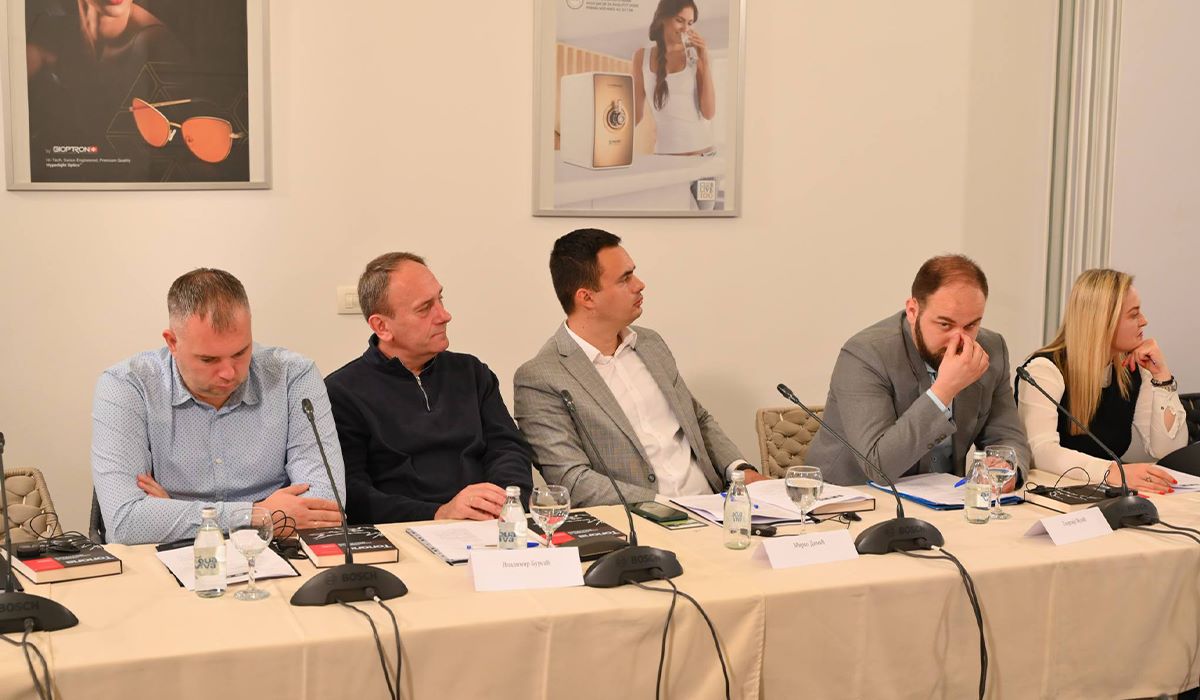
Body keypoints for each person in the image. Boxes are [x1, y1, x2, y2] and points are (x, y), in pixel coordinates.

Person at [91, 268, 344, 545]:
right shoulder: (126, 386)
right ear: (172, 342)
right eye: (209, 360)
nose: (228, 373)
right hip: (170, 553)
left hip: (276, 550)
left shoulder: (293, 376)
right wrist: (259, 515)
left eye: (240, 352)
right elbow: (125, 522)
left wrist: (172, 512)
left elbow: (326, 506)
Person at [514, 228, 763, 508]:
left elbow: (697, 419)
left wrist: (740, 470)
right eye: (625, 279)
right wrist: (667, 507)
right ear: (587, 298)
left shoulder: (650, 344)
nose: (639, 285)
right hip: (642, 519)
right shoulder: (541, 378)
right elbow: (573, 480)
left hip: (715, 506)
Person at [325, 253, 534, 525]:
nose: (445, 316)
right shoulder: (342, 392)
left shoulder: (472, 372)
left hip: (490, 525)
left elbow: (509, 449)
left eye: (440, 299)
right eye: (425, 308)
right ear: (382, 326)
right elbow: (352, 494)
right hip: (405, 532)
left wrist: (504, 503)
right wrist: (439, 513)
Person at [807, 254, 1031, 486]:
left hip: (943, 498)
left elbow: (1007, 436)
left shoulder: (991, 349)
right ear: (913, 311)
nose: (960, 339)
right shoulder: (865, 354)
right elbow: (878, 465)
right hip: (853, 496)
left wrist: (1007, 467)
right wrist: (944, 390)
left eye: (971, 325)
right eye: (945, 324)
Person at [1016, 269, 1187, 493]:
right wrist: (1110, 471)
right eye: (1134, 315)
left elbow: (1168, 452)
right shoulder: (1044, 370)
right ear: (1104, 321)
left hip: (1106, 494)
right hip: (1050, 498)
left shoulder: (1131, 370)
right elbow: (1040, 452)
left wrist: (1162, 377)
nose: (1144, 321)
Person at [633, 0, 716, 156]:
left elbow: (709, 113)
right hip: (663, 156)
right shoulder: (641, 57)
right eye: (680, 20)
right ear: (663, 18)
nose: (686, 28)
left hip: (701, 154)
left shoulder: (695, 56)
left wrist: (704, 60)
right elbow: (636, 115)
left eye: (690, 23)